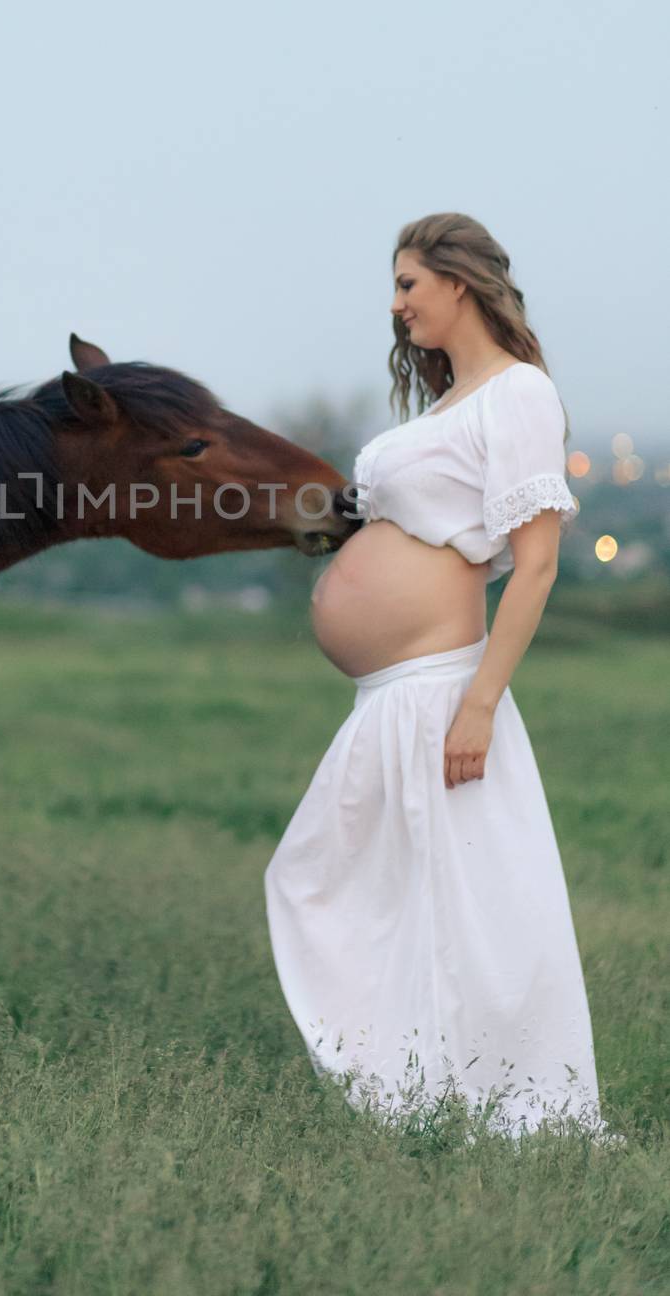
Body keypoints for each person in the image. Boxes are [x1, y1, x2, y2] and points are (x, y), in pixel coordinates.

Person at [265, 212, 623, 1144]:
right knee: (337, 884)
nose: (395, 306)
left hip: (441, 694)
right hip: (385, 698)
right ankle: (405, 1087)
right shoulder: (447, 407)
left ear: (457, 283)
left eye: (407, 285)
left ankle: (497, 1109)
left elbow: (535, 565)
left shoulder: (517, 396)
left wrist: (478, 705)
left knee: (472, 916)